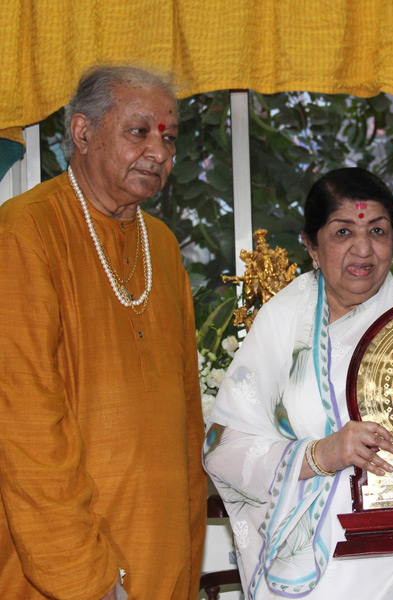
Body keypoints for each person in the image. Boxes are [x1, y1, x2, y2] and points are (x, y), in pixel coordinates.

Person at [203, 167, 393, 599]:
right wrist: (323, 453)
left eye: (377, 231)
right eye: (343, 232)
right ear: (311, 245)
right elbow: (222, 447)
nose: (363, 249)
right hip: (303, 573)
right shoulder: (282, 323)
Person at [0, 66, 206, 599]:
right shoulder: (25, 231)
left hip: (161, 555)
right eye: (139, 132)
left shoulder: (161, 244)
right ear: (82, 132)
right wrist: (85, 577)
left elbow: (186, 418)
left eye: (168, 136)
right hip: (62, 569)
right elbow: (24, 425)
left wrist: (185, 555)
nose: (160, 152)